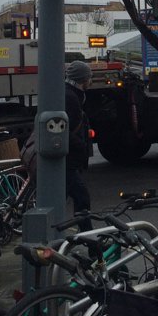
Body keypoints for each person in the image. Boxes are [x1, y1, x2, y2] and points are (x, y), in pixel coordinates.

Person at [64, 59, 94, 217]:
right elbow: (64, 130)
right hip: (68, 159)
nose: (91, 80)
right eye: (89, 77)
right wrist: (81, 145)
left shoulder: (69, 94)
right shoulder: (71, 98)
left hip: (69, 158)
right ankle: (86, 235)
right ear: (83, 79)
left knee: (68, 196)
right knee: (82, 198)